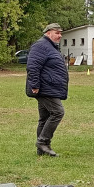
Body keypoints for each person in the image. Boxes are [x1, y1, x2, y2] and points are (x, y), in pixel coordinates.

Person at [25, 22, 68, 157]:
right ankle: (43, 142)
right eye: (57, 32)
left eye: (60, 33)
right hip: (44, 88)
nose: (60, 35)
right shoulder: (41, 46)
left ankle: (42, 150)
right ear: (48, 33)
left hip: (49, 88)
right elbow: (33, 66)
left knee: (44, 118)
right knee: (57, 112)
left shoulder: (51, 47)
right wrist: (35, 86)